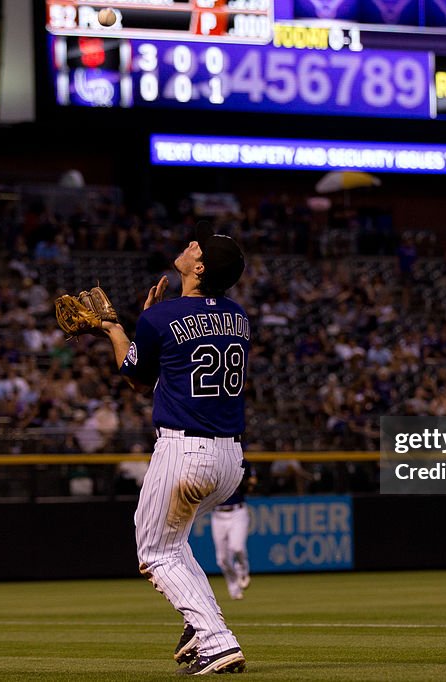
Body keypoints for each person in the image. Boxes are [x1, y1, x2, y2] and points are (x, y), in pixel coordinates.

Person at [96, 223, 249, 675]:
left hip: (186, 453)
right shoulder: (238, 315)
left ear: (199, 267)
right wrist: (150, 329)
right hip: (230, 460)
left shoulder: (160, 318)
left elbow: (136, 376)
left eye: (195, 247)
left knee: (156, 553)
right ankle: (201, 624)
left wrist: (114, 328)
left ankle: (217, 641)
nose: (187, 246)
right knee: (173, 542)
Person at [211, 461, 257, 600]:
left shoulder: (241, 462)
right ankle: (234, 589)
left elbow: (252, 482)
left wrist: (247, 484)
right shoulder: (212, 462)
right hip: (217, 514)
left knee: (237, 548)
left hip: (237, 511)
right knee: (222, 559)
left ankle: (243, 570)